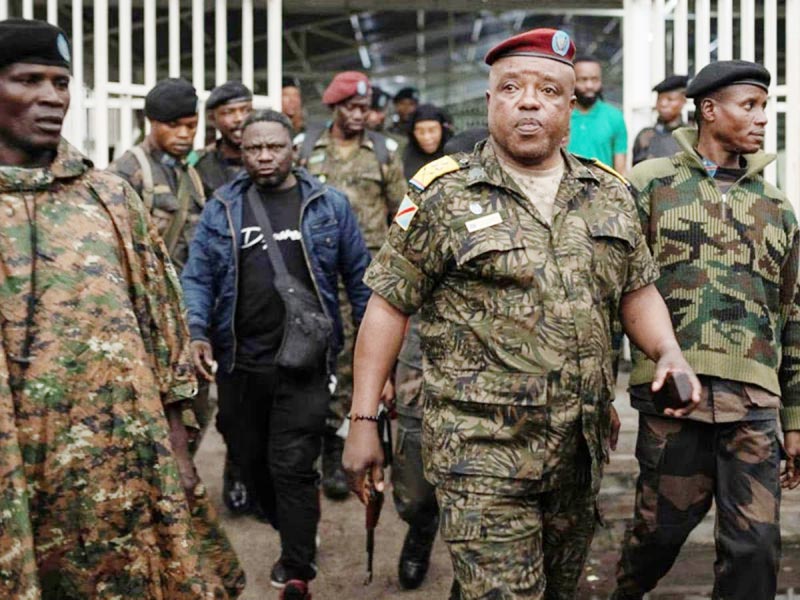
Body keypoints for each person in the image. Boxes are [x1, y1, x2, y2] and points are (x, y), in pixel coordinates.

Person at [342, 28, 702, 599]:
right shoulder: (444, 193)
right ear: (490, 102)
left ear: (570, 107)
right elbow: (388, 304)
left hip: (578, 451)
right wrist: (363, 420)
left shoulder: (608, 193)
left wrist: (668, 351)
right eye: (511, 88)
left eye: (548, 91)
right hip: (479, 453)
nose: (529, 102)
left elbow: (636, 291)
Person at [0, 18, 244, 599]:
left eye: (61, 82)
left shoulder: (107, 197)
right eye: (28, 80)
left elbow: (162, 324)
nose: (51, 97)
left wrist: (179, 450)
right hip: (17, 480)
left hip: (118, 470)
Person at [612, 60, 800, 600]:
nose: (762, 118)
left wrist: (794, 419)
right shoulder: (650, 184)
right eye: (750, 105)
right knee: (657, 538)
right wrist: (600, 394)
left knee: (755, 550)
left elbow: (791, 315)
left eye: (765, 107)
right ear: (709, 110)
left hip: (754, 403)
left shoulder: (777, 207)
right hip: (674, 399)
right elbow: (612, 292)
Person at [181, 109, 372, 599]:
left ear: (294, 150)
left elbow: (361, 280)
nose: (264, 156)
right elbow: (198, 277)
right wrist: (198, 330)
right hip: (241, 364)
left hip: (305, 365)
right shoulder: (223, 208)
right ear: (241, 152)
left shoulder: (328, 205)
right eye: (254, 148)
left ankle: (297, 566)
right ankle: (294, 525)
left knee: (293, 464)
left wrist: (374, 355)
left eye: (274, 147)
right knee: (248, 461)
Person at [297, 70, 406, 500]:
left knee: (358, 360)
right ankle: (321, 442)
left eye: (364, 107)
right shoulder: (307, 147)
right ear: (334, 107)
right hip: (319, 272)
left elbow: (402, 213)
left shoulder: (383, 152)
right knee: (320, 353)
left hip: (368, 275)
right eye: (351, 107)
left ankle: (344, 445)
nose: (359, 114)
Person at [391, 102, 453, 591]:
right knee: (414, 482)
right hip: (420, 350)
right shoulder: (417, 199)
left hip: (491, 366)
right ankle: (420, 529)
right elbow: (389, 293)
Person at [109, 77, 205, 273]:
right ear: (152, 122)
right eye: (173, 125)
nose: (184, 134)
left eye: (191, 125)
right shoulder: (126, 171)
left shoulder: (190, 173)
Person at [567, 56, 628, 173]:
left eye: (595, 79)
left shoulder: (615, 117)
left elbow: (620, 170)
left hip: (604, 184)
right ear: (572, 81)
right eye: (583, 79)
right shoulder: (560, 115)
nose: (589, 85)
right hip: (564, 183)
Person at [194, 80, 253, 198]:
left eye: (246, 110)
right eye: (228, 112)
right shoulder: (197, 161)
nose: (239, 119)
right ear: (212, 118)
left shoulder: (269, 157)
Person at [631, 74, 689, 165]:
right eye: (659, 99)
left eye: (670, 99)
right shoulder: (644, 136)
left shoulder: (690, 135)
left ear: (683, 100)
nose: (663, 104)